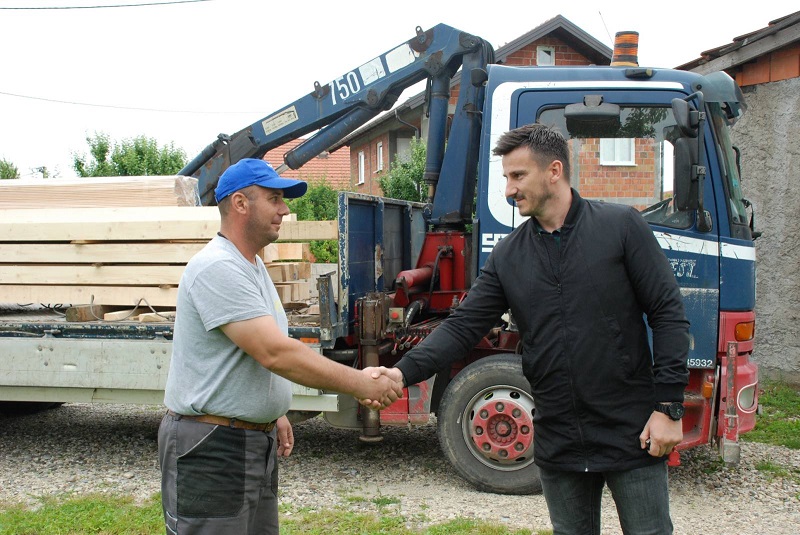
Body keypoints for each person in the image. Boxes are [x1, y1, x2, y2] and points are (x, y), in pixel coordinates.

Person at [384, 124, 690, 534]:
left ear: (554, 171)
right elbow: (462, 327)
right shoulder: (509, 254)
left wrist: (668, 407)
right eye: (506, 178)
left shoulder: (620, 228)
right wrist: (401, 373)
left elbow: (668, 312)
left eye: (517, 176)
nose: (509, 190)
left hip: (630, 428)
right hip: (558, 435)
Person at [158, 158, 403, 535]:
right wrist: (361, 384)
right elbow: (274, 352)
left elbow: (252, 353)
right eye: (274, 199)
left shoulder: (251, 266)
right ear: (240, 203)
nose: (285, 210)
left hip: (249, 438)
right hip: (213, 445)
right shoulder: (217, 268)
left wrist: (273, 411)